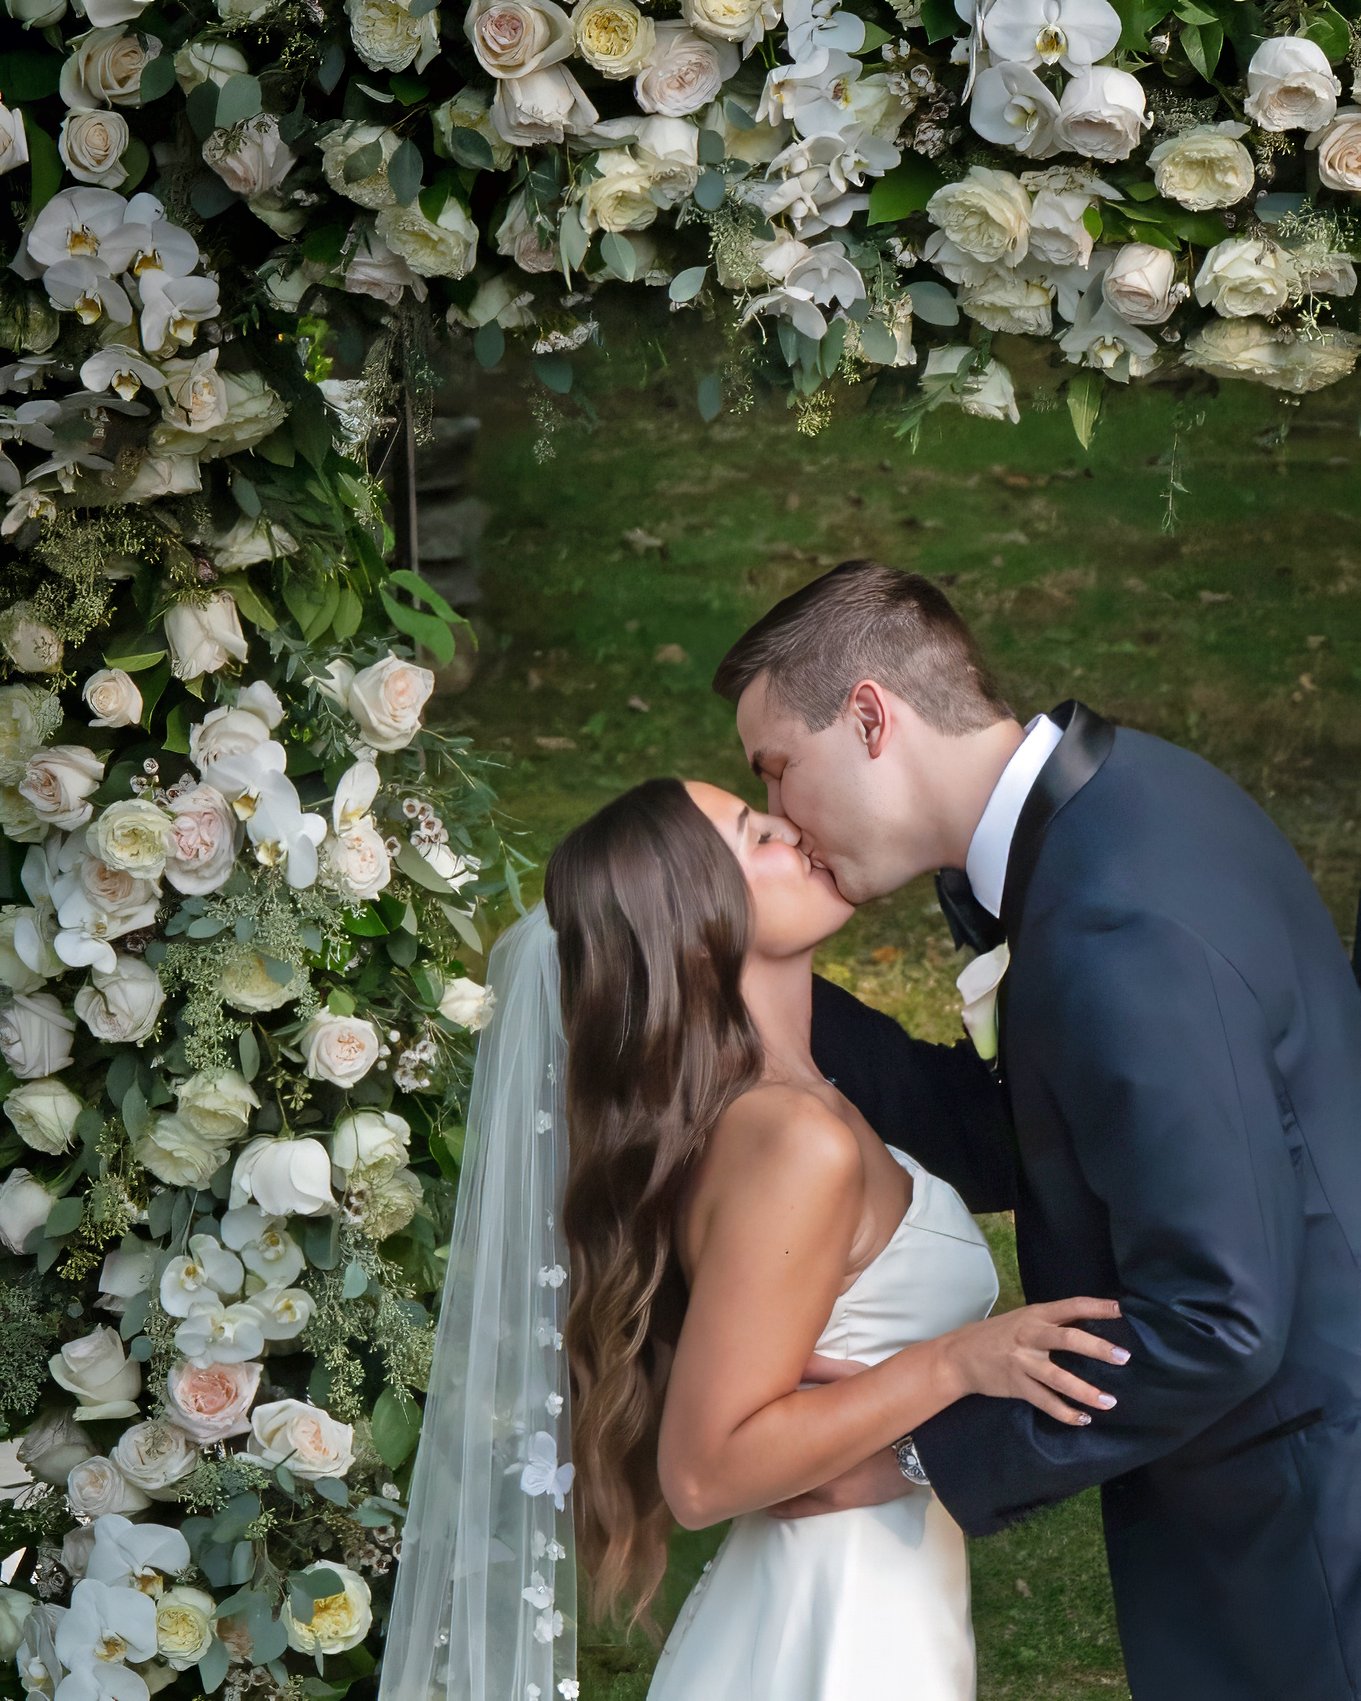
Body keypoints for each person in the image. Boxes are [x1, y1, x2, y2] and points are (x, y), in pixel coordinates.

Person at [712, 558, 1361, 1701]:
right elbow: (1040, 1134)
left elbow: (1216, 1320)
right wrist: (750, 982)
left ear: (870, 717)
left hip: (1301, 1516)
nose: (784, 820)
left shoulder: (1114, 924)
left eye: (777, 769)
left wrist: (915, 1449)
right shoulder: (1128, 802)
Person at [376, 777, 1124, 1701]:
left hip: (856, 1595)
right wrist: (955, 1364)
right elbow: (702, 1470)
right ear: (699, 917)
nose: (797, 829)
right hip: (832, 1624)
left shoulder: (792, 1104)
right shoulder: (791, 1139)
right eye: (756, 832)